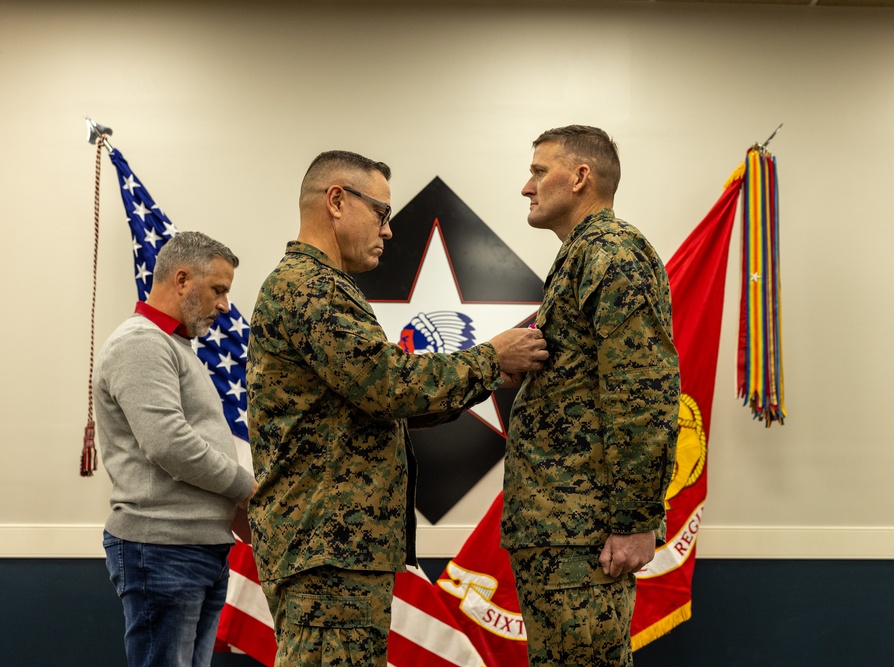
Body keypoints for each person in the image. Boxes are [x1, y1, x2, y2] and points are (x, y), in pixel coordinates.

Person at [247, 149, 548, 667]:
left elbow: (383, 404)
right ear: (337, 201)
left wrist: (491, 372)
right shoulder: (310, 289)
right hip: (327, 549)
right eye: (382, 213)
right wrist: (488, 358)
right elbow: (388, 385)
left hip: (337, 549)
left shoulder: (325, 289)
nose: (388, 230)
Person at [501, 125, 681, 666]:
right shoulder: (580, 255)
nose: (526, 187)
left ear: (580, 177)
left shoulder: (611, 254)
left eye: (538, 171)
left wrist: (634, 521)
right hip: (558, 530)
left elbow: (644, 395)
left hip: (586, 535)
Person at [95, 231, 258, 667]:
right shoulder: (141, 343)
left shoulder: (173, 344)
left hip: (193, 549)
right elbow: (169, 444)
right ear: (182, 279)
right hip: (163, 550)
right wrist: (246, 488)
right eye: (219, 290)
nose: (225, 305)